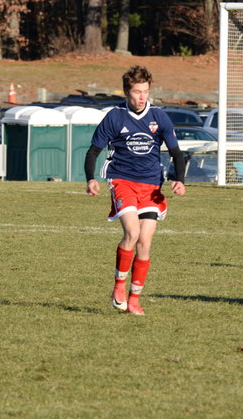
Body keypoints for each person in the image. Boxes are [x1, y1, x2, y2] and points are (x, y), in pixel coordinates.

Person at [85, 66, 186, 316]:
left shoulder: (159, 117)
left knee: (145, 242)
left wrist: (179, 180)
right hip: (122, 181)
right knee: (132, 232)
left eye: (145, 91)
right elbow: (93, 151)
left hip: (151, 185)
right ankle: (119, 285)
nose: (142, 97)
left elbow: (176, 152)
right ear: (126, 92)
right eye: (137, 92)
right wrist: (90, 178)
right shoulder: (115, 117)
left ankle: (134, 299)